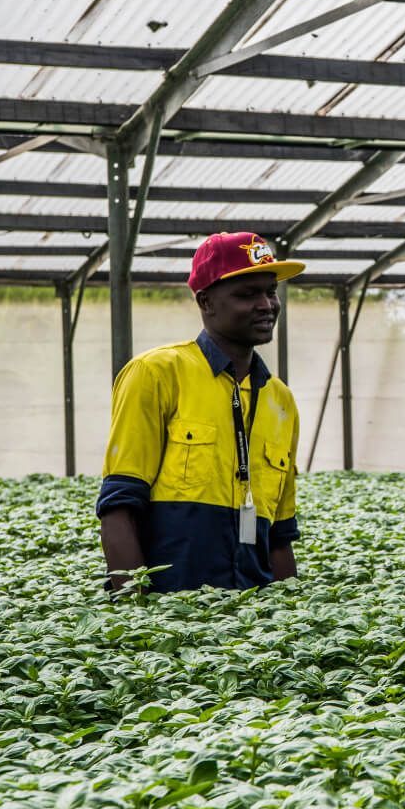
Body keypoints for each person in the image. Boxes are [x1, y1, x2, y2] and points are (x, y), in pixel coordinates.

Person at [97, 231, 305, 594]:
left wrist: (288, 616)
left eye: (270, 292)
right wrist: (136, 614)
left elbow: (280, 536)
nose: (266, 304)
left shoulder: (280, 399)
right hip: (172, 624)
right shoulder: (157, 372)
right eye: (247, 294)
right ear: (206, 301)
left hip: (253, 627)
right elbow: (119, 508)